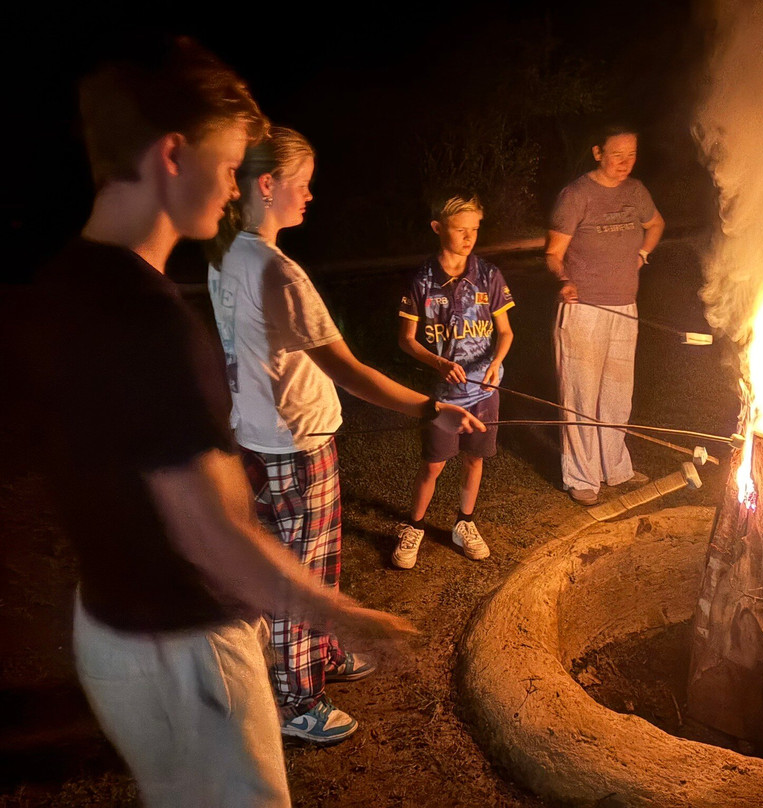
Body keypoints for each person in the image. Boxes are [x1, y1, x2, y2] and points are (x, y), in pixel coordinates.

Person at [30, 38, 422, 806]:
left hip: (107, 628)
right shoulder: (151, 325)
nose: (232, 190)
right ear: (173, 155)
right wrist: (342, 615)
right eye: (227, 164)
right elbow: (208, 535)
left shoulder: (62, 282)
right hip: (188, 652)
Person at [206, 131, 484, 743]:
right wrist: (430, 408)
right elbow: (352, 372)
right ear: (266, 185)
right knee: (299, 574)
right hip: (295, 445)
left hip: (259, 436)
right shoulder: (277, 273)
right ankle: (297, 702)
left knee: (312, 563)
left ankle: (321, 652)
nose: (310, 193)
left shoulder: (226, 256)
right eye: (301, 181)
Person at [393, 193, 515, 569]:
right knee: (433, 463)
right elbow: (406, 339)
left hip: (483, 390)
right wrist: (438, 363)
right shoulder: (423, 282)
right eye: (460, 229)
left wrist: (496, 362)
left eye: (474, 229)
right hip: (444, 395)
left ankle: (464, 522)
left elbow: (506, 333)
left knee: (474, 459)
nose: (469, 237)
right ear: (437, 228)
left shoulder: (489, 276)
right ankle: (415, 526)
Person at [545, 124, 665, 505]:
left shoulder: (636, 191)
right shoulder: (576, 195)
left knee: (616, 394)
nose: (625, 163)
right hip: (584, 311)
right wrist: (564, 279)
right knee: (581, 394)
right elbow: (553, 253)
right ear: (598, 152)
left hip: (625, 307)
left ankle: (615, 468)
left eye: (631, 154)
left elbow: (656, 224)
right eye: (617, 155)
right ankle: (582, 477)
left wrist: (643, 253)